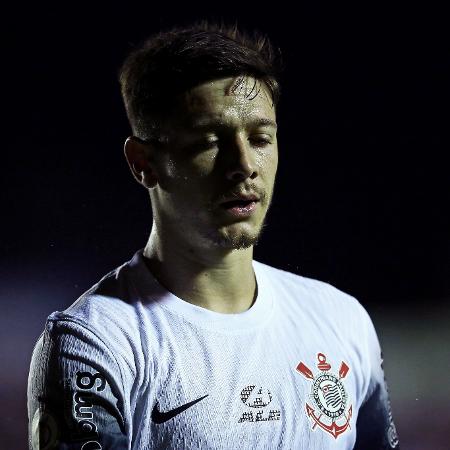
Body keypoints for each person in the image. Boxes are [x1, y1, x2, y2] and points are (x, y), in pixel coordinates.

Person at [27, 21, 400, 449]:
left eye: (261, 138)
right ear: (142, 162)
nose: (243, 165)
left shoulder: (341, 319)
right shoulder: (97, 344)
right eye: (208, 142)